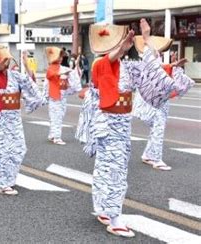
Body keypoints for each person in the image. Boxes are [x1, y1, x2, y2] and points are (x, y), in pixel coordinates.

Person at [76, 19, 194, 237]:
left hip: (121, 125)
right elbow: (109, 61)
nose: (121, 48)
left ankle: (104, 209)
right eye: (117, 45)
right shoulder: (98, 64)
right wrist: (126, 46)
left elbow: (151, 70)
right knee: (114, 171)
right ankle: (114, 218)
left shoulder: (127, 67)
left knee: (106, 168)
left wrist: (150, 47)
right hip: (107, 124)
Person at [0, 39, 45, 195]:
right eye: (4, 60)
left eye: (8, 60)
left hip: (14, 118)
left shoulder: (16, 76)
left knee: (19, 149)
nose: (7, 63)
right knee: (2, 150)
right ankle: (3, 184)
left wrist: (26, 64)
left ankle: (9, 179)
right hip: (0, 118)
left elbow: (30, 85)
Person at [131, 36, 194, 171]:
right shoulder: (147, 57)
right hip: (152, 99)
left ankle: (149, 155)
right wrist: (172, 66)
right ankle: (156, 158)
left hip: (156, 98)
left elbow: (160, 68)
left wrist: (173, 65)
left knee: (157, 127)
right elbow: (156, 70)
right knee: (158, 127)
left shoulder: (153, 57)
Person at [45, 46, 81, 145]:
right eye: (59, 57)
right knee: (56, 116)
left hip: (62, 97)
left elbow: (71, 75)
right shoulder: (51, 69)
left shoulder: (62, 68)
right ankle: (56, 137)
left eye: (61, 57)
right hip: (54, 97)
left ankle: (52, 135)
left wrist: (75, 68)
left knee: (59, 116)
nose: (60, 59)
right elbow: (51, 76)